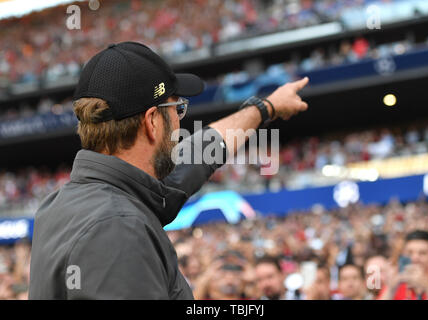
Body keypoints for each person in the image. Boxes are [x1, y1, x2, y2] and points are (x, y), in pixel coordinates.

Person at [28, 41, 310, 299]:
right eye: (177, 109)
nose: (180, 123)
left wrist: (264, 108)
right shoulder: (118, 226)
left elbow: (193, 158)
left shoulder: (66, 203)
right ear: (152, 122)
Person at [378, 230, 428, 300]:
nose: (415, 258)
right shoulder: (395, 284)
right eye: (410, 253)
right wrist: (391, 289)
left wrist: (427, 287)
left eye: (422, 253)